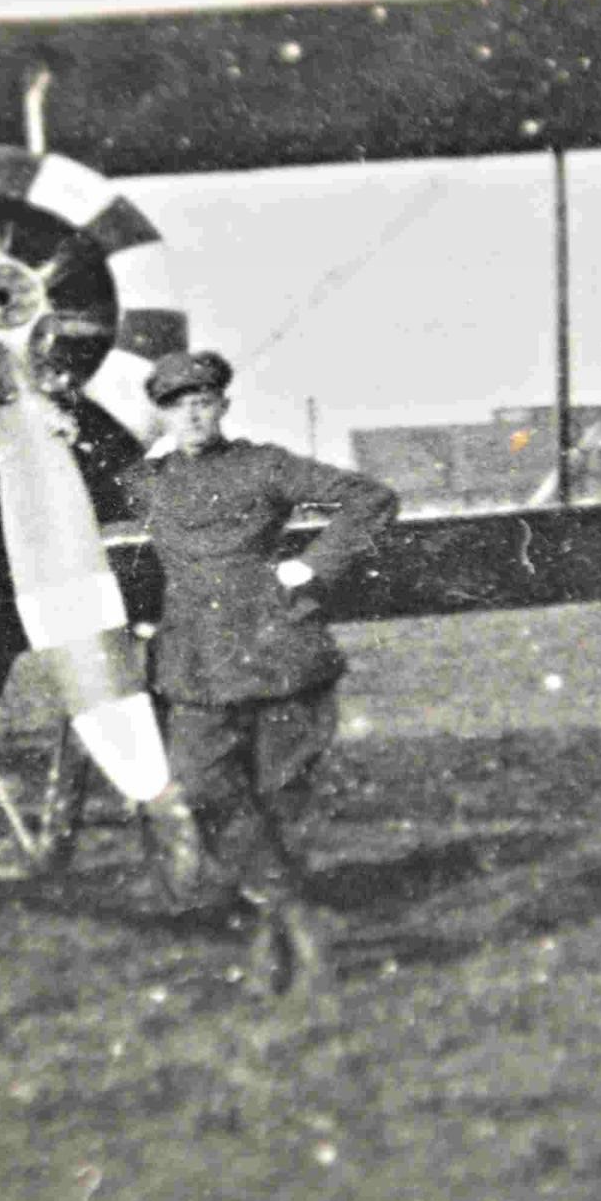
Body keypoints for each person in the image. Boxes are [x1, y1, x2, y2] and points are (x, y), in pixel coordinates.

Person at [112, 349, 399, 997]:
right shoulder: (144, 484)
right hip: (197, 667)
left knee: (279, 802)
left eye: (203, 402)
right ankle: (300, 921)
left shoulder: (263, 466)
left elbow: (371, 499)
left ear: (222, 407)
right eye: (177, 406)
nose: (192, 414)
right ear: (159, 415)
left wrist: (310, 568)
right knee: (205, 791)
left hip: (279, 658)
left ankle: (277, 947)